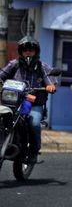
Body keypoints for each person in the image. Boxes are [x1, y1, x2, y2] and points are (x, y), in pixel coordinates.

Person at [0, 35, 57, 164]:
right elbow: (2, 76)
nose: (28, 52)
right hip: (13, 102)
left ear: (36, 51)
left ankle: (34, 150)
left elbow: (49, 79)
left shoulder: (42, 67)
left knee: (34, 123)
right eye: (25, 50)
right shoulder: (14, 64)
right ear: (21, 51)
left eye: (31, 49)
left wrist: (50, 86)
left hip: (34, 103)